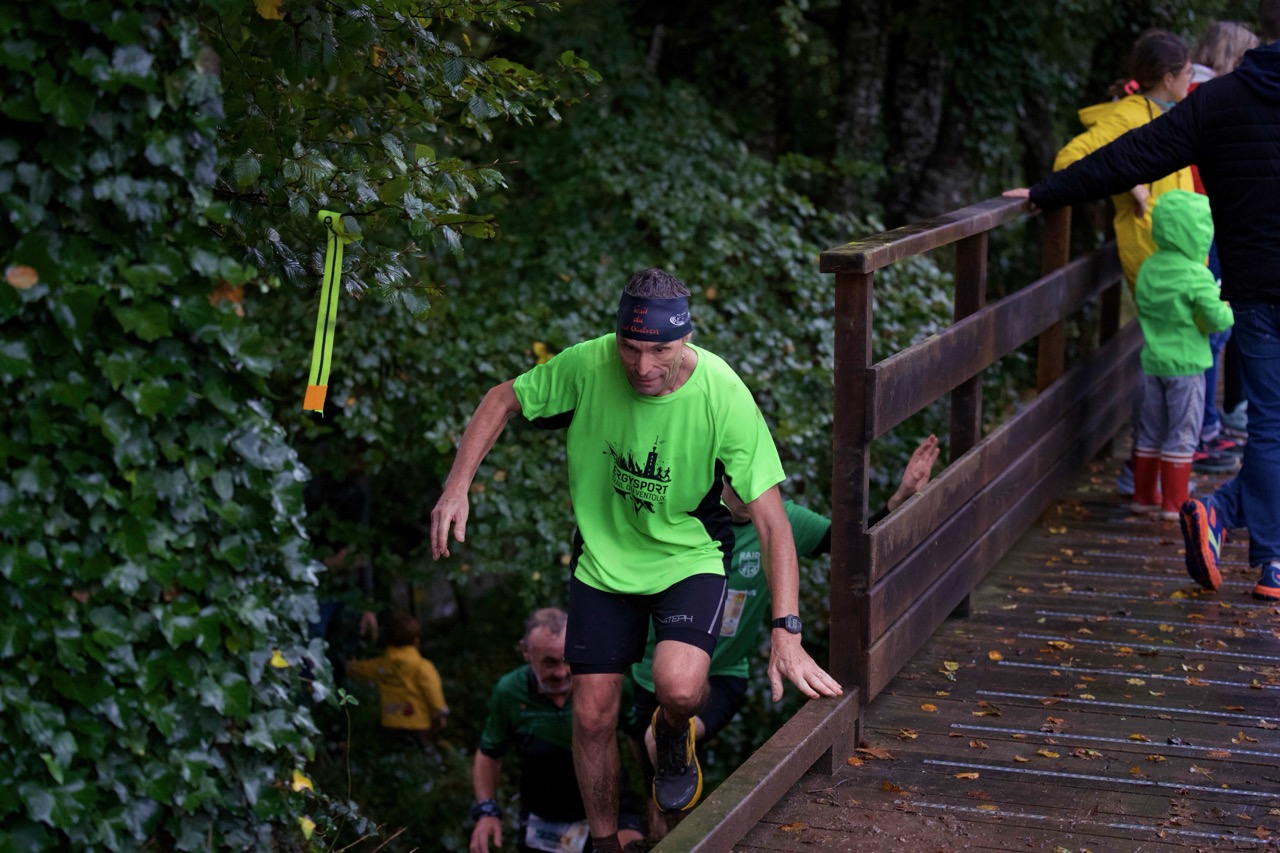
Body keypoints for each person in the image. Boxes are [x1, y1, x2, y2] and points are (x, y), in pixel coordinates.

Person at [431, 268, 841, 852]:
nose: (643, 366)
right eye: (630, 347)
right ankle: (603, 844)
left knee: (679, 689)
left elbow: (775, 522)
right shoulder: (588, 364)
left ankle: (672, 733)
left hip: (688, 555)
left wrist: (787, 631)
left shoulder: (722, 393)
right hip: (604, 562)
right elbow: (503, 399)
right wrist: (457, 486)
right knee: (592, 715)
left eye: (660, 351)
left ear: (685, 339)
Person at [1006, 0, 1280, 601]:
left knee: (1270, 425)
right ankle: (1250, 538)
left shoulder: (1219, 99)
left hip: (1256, 291)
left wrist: (1050, 191)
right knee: (1274, 427)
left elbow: (1131, 155)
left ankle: (1252, 542)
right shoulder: (1219, 99)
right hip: (1257, 293)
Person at [629, 435, 939, 838]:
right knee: (656, 791)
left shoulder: (782, 521)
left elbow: (847, 546)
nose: (746, 492)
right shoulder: (689, 514)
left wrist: (899, 499)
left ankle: (686, 837)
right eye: (735, 481)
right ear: (718, 476)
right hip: (651, 673)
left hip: (722, 674)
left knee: (662, 749)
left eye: (754, 481)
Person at [1049, 29, 1196, 497]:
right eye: (1187, 73)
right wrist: (1128, 182)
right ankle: (1152, 475)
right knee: (1176, 365)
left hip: (1175, 257)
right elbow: (1069, 159)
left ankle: (1148, 473)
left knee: (1170, 361)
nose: (1191, 81)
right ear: (1168, 77)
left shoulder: (1164, 112)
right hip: (1153, 258)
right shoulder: (1128, 116)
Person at [469, 608, 644, 853]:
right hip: (544, 817)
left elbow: (638, 735)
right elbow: (489, 752)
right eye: (549, 662)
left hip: (611, 807)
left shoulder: (607, 682)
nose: (561, 672)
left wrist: (655, 792)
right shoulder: (509, 692)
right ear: (526, 652)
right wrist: (487, 810)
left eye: (568, 659)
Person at [1127, 190, 1233, 520]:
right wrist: (1226, 306)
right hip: (1186, 367)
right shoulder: (1196, 274)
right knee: (1183, 433)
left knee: (1151, 432)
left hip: (1152, 363)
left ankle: (1143, 496)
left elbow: (1143, 303)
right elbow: (1216, 320)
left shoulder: (1149, 267)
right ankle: (1175, 503)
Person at [1187, 22, 1258, 475]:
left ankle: (1209, 424)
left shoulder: (1194, 92)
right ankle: (1205, 430)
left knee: (1216, 328)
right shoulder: (1210, 96)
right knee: (1212, 329)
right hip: (1203, 221)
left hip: (1204, 219)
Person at [345, 611, 449, 749]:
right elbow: (432, 691)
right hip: (419, 725)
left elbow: (360, 669)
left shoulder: (382, 665)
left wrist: (348, 665)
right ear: (416, 641)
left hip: (391, 724)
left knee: (393, 752)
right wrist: (440, 713)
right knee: (419, 755)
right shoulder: (422, 666)